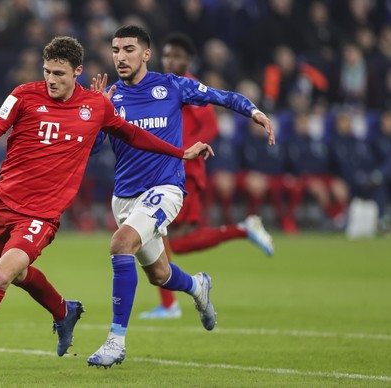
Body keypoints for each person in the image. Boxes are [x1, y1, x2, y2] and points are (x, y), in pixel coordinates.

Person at [0, 36, 213, 376]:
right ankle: (63, 311)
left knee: (0, 276)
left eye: (59, 73)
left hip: (41, 215)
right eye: (47, 72)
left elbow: (133, 135)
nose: (52, 80)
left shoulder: (96, 107)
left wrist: (180, 152)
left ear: (77, 72)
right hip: (3, 204)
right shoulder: (22, 95)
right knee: (17, 274)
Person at [87, 25, 275, 368]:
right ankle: (196, 286)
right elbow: (92, 151)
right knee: (159, 274)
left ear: (146, 54)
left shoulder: (171, 86)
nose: (120, 57)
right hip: (125, 197)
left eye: (129, 49)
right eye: (115, 50)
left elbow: (223, 96)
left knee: (120, 244)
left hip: (165, 189)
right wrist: (97, 113)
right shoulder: (110, 97)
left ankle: (115, 341)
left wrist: (255, 112)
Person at [136, 33, 274, 320]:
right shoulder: (161, 87)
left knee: (162, 239)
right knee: (168, 240)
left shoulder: (190, 89)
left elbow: (208, 129)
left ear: (188, 60)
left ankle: (170, 302)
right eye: (167, 55)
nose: (171, 60)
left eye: (177, 56)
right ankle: (242, 231)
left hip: (183, 172)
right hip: (163, 170)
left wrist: (178, 151)